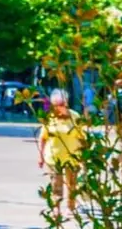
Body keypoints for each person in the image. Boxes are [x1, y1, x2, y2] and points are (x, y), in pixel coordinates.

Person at [38, 89, 83, 218]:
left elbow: (82, 138)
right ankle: (56, 208)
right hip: (53, 157)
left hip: (72, 156)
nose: (59, 108)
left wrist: (83, 156)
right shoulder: (50, 118)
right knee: (55, 185)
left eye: (62, 104)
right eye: (56, 105)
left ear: (67, 103)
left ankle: (71, 208)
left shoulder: (75, 117)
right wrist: (40, 156)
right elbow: (43, 138)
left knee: (72, 184)